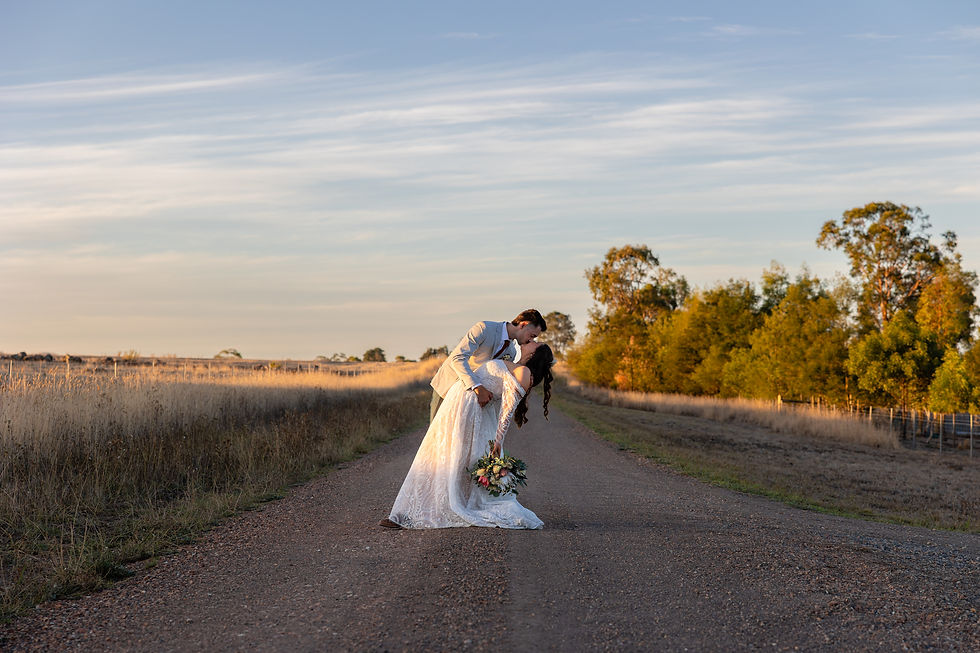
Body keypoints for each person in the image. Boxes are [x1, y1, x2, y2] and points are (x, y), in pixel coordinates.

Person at [381, 340, 554, 529]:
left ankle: (429, 508)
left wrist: (498, 441)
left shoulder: (524, 373)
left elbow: (507, 410)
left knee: (452, 455)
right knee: (443, 453)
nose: (532, 341)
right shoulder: (517, 365)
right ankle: (409, 510)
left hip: (469, 407)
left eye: (536, 343)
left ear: (535, 353)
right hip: (461, 401)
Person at [428, 309, 547, 422]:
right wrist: (477, 387)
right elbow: (458, 358)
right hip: (447, 387)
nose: (530, 340)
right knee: (436, 437)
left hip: (467, 400)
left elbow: (499, 377)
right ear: (523, 325)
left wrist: (521, 363)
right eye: (532, 336)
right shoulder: (484, 328)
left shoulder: (512, 351)